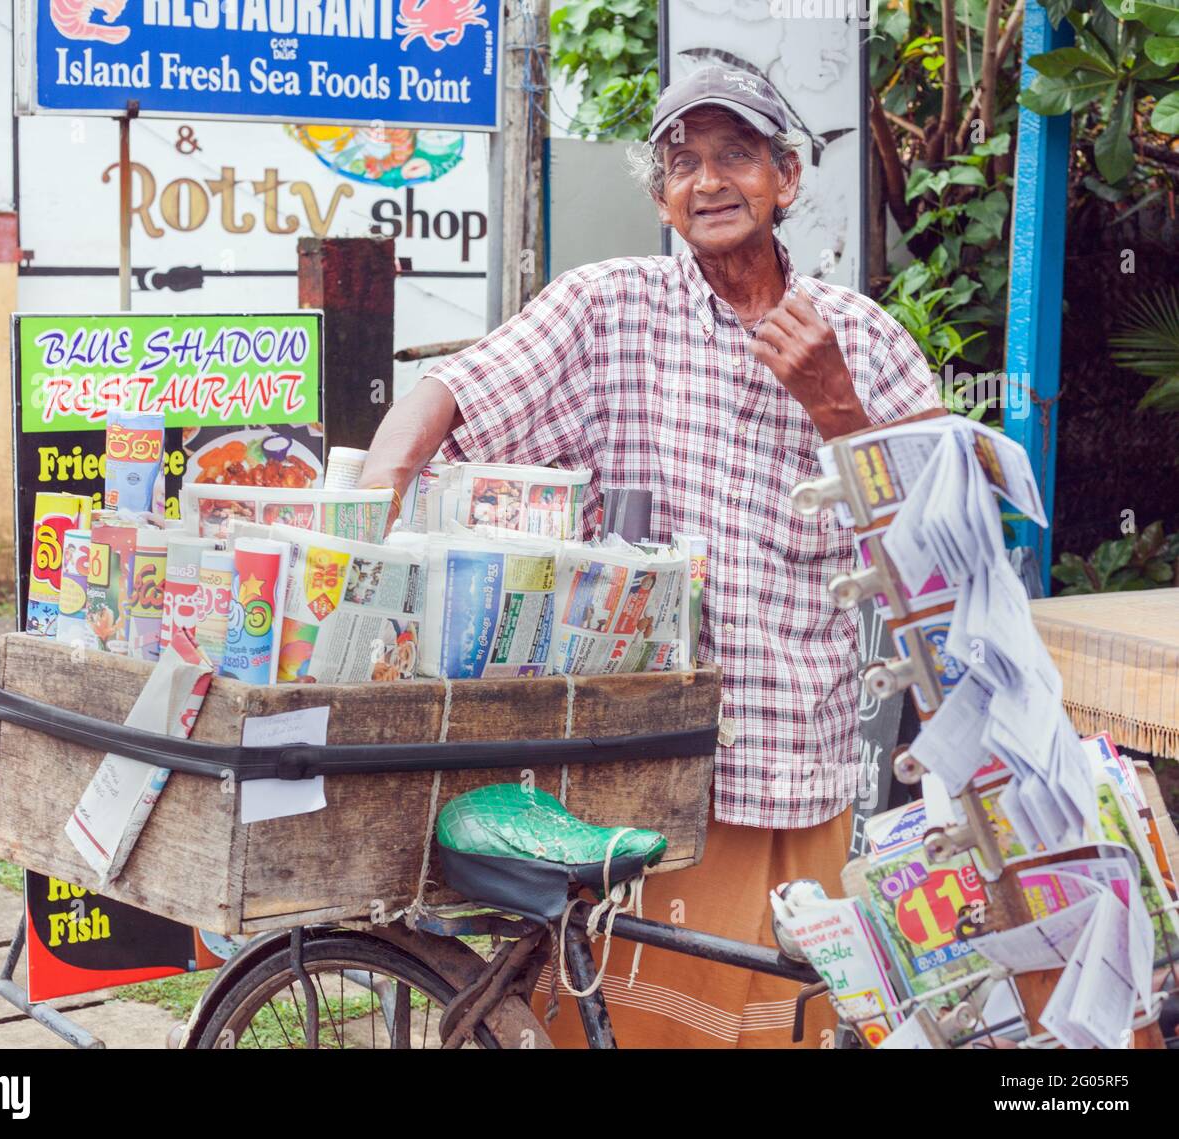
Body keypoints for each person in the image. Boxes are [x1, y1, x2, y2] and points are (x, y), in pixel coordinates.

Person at [358, 64, 941, 1047]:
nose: (706, 181)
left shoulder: (866, 340)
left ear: (786, 179)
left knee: (780, 1015)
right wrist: (354, 523)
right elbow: (449, 394)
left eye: (734, 156)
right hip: (633, 757)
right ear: (661, 193)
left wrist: (833, 402)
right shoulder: (607, 306)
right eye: (681, 161)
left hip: (790, 751)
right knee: (633, 1021)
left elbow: (933, 536)